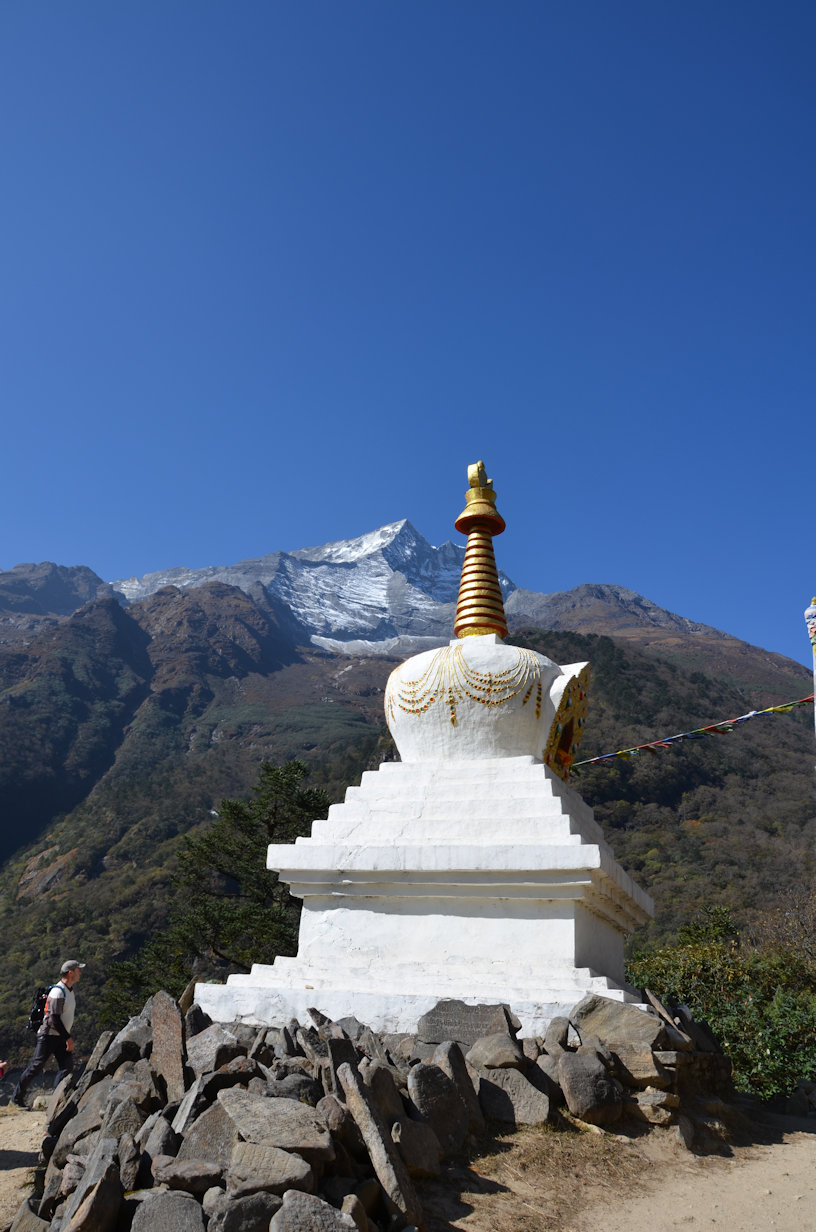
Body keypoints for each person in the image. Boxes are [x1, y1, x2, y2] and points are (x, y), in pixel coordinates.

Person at [12, 960, 85, 1107]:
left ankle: (56, 1101)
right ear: (70, 973)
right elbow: (54, 1019)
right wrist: (68, 1038)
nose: (80, 973)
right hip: (48, 1035)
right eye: (78, 970)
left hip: (59, 1036)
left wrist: (65, 1037)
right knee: (36, 1066)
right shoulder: (58, 992)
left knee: (66, 1067)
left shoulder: (69, 990)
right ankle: (17, 1099)